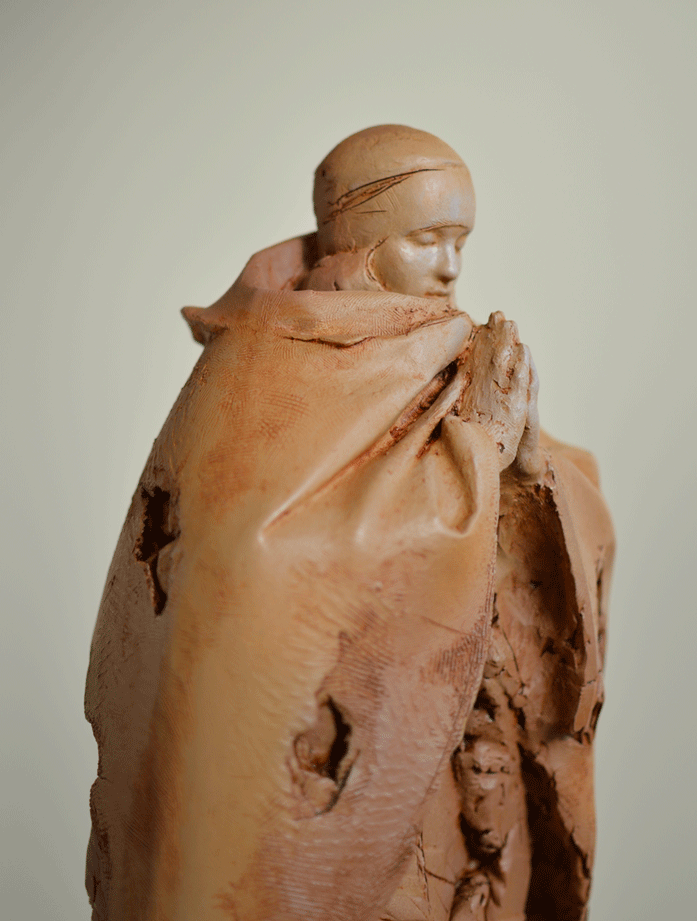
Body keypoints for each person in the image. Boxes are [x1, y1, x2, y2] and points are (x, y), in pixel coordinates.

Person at [85, 125, 613, 921]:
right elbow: (257, 563)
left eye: (462, 241)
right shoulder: (259, 364)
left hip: (444, 784)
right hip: (325, 787)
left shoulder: (456, 353)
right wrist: (479, 449)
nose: (451, 266)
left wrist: (529, 461)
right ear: (358, 239)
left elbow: (546, 520)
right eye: (426, 239)